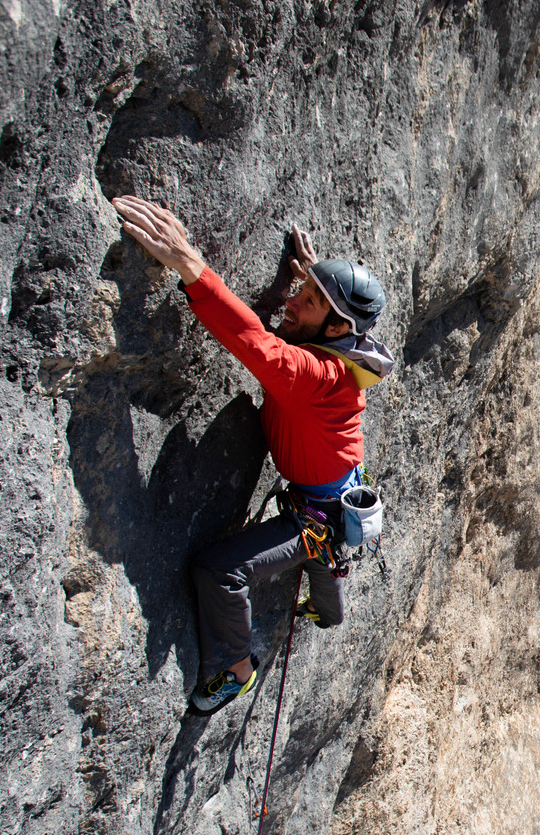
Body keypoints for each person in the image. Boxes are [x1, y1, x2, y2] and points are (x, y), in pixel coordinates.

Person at [111, 194, 393, 713]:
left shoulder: (320, 376)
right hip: (333, 495)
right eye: (303, 289)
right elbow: (297, 329)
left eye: (307, 300)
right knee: (324, 553)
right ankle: (329, 613)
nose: (293, 301)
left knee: (222, 569)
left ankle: (237, 669)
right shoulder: (334, 349)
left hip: (320, 510)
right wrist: (307, 279)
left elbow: (256, 345)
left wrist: (191, 266)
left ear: (335, 330)